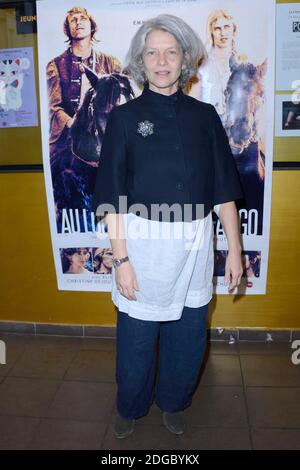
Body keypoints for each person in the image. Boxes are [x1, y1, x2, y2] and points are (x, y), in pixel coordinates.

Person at [92, 14, 243, 439]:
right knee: (137, 337)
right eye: (153, 52)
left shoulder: (204, 116)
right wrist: (121, 258)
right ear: (142, 60)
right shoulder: (124, 119)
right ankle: (131, 405)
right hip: (143, 245)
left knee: (189, 333)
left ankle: (174, 402)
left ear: (185, 59)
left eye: (171, 52)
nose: (162, 61)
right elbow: (112, 197)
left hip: (195, 243)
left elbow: (224, 191)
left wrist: (234, 249)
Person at [46, 6, 122, 227]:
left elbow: (121, 103)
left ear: (91, 25)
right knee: (60, 176)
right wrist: (75, 125)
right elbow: (55, 107)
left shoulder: (111, 64)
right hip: (68, 139)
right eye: (72, 19)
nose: (78, 22)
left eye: (82, 18)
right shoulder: (55, 65)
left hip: (105, 140)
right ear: (67, 29)